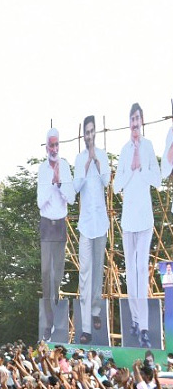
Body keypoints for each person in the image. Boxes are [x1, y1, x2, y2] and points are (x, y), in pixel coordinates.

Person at [114, 102, 162, 346]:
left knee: (142, 270)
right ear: (128, 122)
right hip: (128, 219)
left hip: (144, 219)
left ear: (142, 121)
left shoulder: (149, 147)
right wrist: (129, 170)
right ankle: (134, 319)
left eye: (137, 119)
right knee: (130, 274)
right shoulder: (123, 150)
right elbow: (115, 185)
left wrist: (140, 167)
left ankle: (143, 326)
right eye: (131, 118)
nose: (134, 123)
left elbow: (158, 179)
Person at [73, 115, 110, 342]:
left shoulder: (103, 155)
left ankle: (96, 310)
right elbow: (76, 187)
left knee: (98, 269)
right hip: (86, 224)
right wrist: (86, 166)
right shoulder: (78, 159)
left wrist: (97, 161)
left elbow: (106, 181)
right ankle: (86, 327)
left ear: (95, 133)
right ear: (83, 135)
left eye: (91, 132)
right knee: (84, 272)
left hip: (101, 221)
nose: (89, 136)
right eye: (86, 132)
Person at [36, 127, 74, 341]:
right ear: (46, 147)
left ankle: (58, 323)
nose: (54, 148)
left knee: (57, 276)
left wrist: (60, 182)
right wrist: (52, 183)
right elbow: (40, 201)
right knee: (46, 275)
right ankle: (48, 325)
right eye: (51, 145)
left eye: (57, 144)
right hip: (45, 224)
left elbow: (70, 197)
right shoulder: (42, 169)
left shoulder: (66, 167)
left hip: (60, 224)